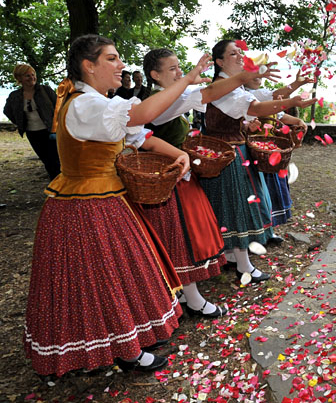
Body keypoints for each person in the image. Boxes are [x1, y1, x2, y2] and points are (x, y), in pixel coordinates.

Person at [23, 34, 211, 376]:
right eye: (112, 59)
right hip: (85, 208)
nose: (121, 65)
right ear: (88, 65)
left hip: (105, 202)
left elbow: (139, 135)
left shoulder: (98, 104)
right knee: (100, 280)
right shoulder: (84, 104)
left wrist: (180, 153)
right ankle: (124, 349)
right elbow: (141, 113)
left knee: (118, 275)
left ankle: (128, 341)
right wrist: (187, 76)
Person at [141, 48, 278, 317]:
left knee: (185, 235)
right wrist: (243, 76)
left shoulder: (169, 97)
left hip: (179, 174)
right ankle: (191, 297)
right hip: (170, 179)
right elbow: (208, 94)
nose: (179, 73)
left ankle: (187, 295)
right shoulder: (158, 101)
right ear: (155, 75)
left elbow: (209, 94)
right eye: (172, 69)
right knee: (183, 236)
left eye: (179, 67)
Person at [200, 39, 315, 284]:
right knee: (237, 205)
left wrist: (293, 88)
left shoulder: (230, 87)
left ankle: (232, 256)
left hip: (229, 151)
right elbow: (258, 106)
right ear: (219, 61)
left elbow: (261, 100)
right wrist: (291, 103)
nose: (240, 56)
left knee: (231, 205)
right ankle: (244, 266)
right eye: (233, 53)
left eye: (241, 52)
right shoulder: (223, 87)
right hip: (228, 155)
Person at [244, 74, 310, 227]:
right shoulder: (248, 96)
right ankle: (263, 228)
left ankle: (270, 228)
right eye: (253, 73)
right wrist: (296, 83)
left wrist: (298, 121)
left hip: (270, 153)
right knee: (261, 191)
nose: (257, 76)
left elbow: (281, 116)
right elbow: (274, 96)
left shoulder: (261, 92)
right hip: (256, 153)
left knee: (273, 189)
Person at [3, 64, 61, 179]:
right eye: (27, 76)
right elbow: (7, 111)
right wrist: (20, 123)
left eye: (33, 75)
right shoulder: (15, 96)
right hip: (33, 134)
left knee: (58, 160)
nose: (32, 78)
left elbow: (59, 108)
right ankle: (56, 186)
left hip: (51, 132)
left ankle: (64, 187)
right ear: (19, 78)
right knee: (47, 161)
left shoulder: (45, 90)